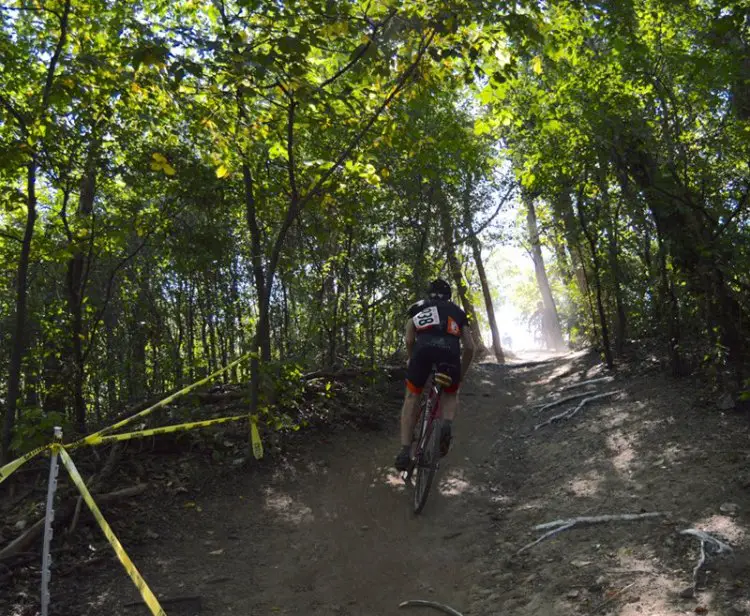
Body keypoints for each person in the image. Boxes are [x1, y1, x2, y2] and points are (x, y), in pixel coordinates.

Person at [394, 279, 476, 472]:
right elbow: (470, 347)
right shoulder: (458, 312)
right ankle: (446, 424)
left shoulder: (418, 307)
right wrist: (460, 375)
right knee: (450, 392)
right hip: (449, 353)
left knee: (412, 397)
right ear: (449, 296)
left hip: (422, 351)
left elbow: (409, 338)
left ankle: (405, 450)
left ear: (428, 293)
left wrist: (412, 358)